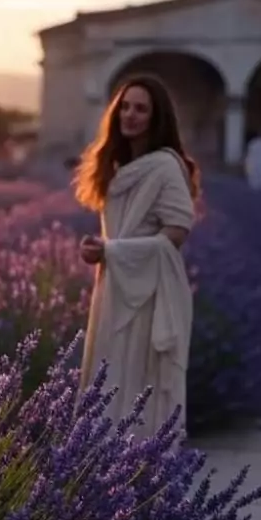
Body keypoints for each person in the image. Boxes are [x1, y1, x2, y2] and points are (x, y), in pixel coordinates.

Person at [74, 74, 198, 440]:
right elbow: (118, 234)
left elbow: (176, 231)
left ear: (156, 117)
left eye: (141, 109)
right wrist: (96, 250)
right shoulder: (117, 166)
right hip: (115, 287)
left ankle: (138, 475)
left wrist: (113, 250)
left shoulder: (165, 166)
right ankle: (104, 475)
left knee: (136, 380)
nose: (130, 115)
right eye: (125, 107)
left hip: (147, 294)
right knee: (109, 377)